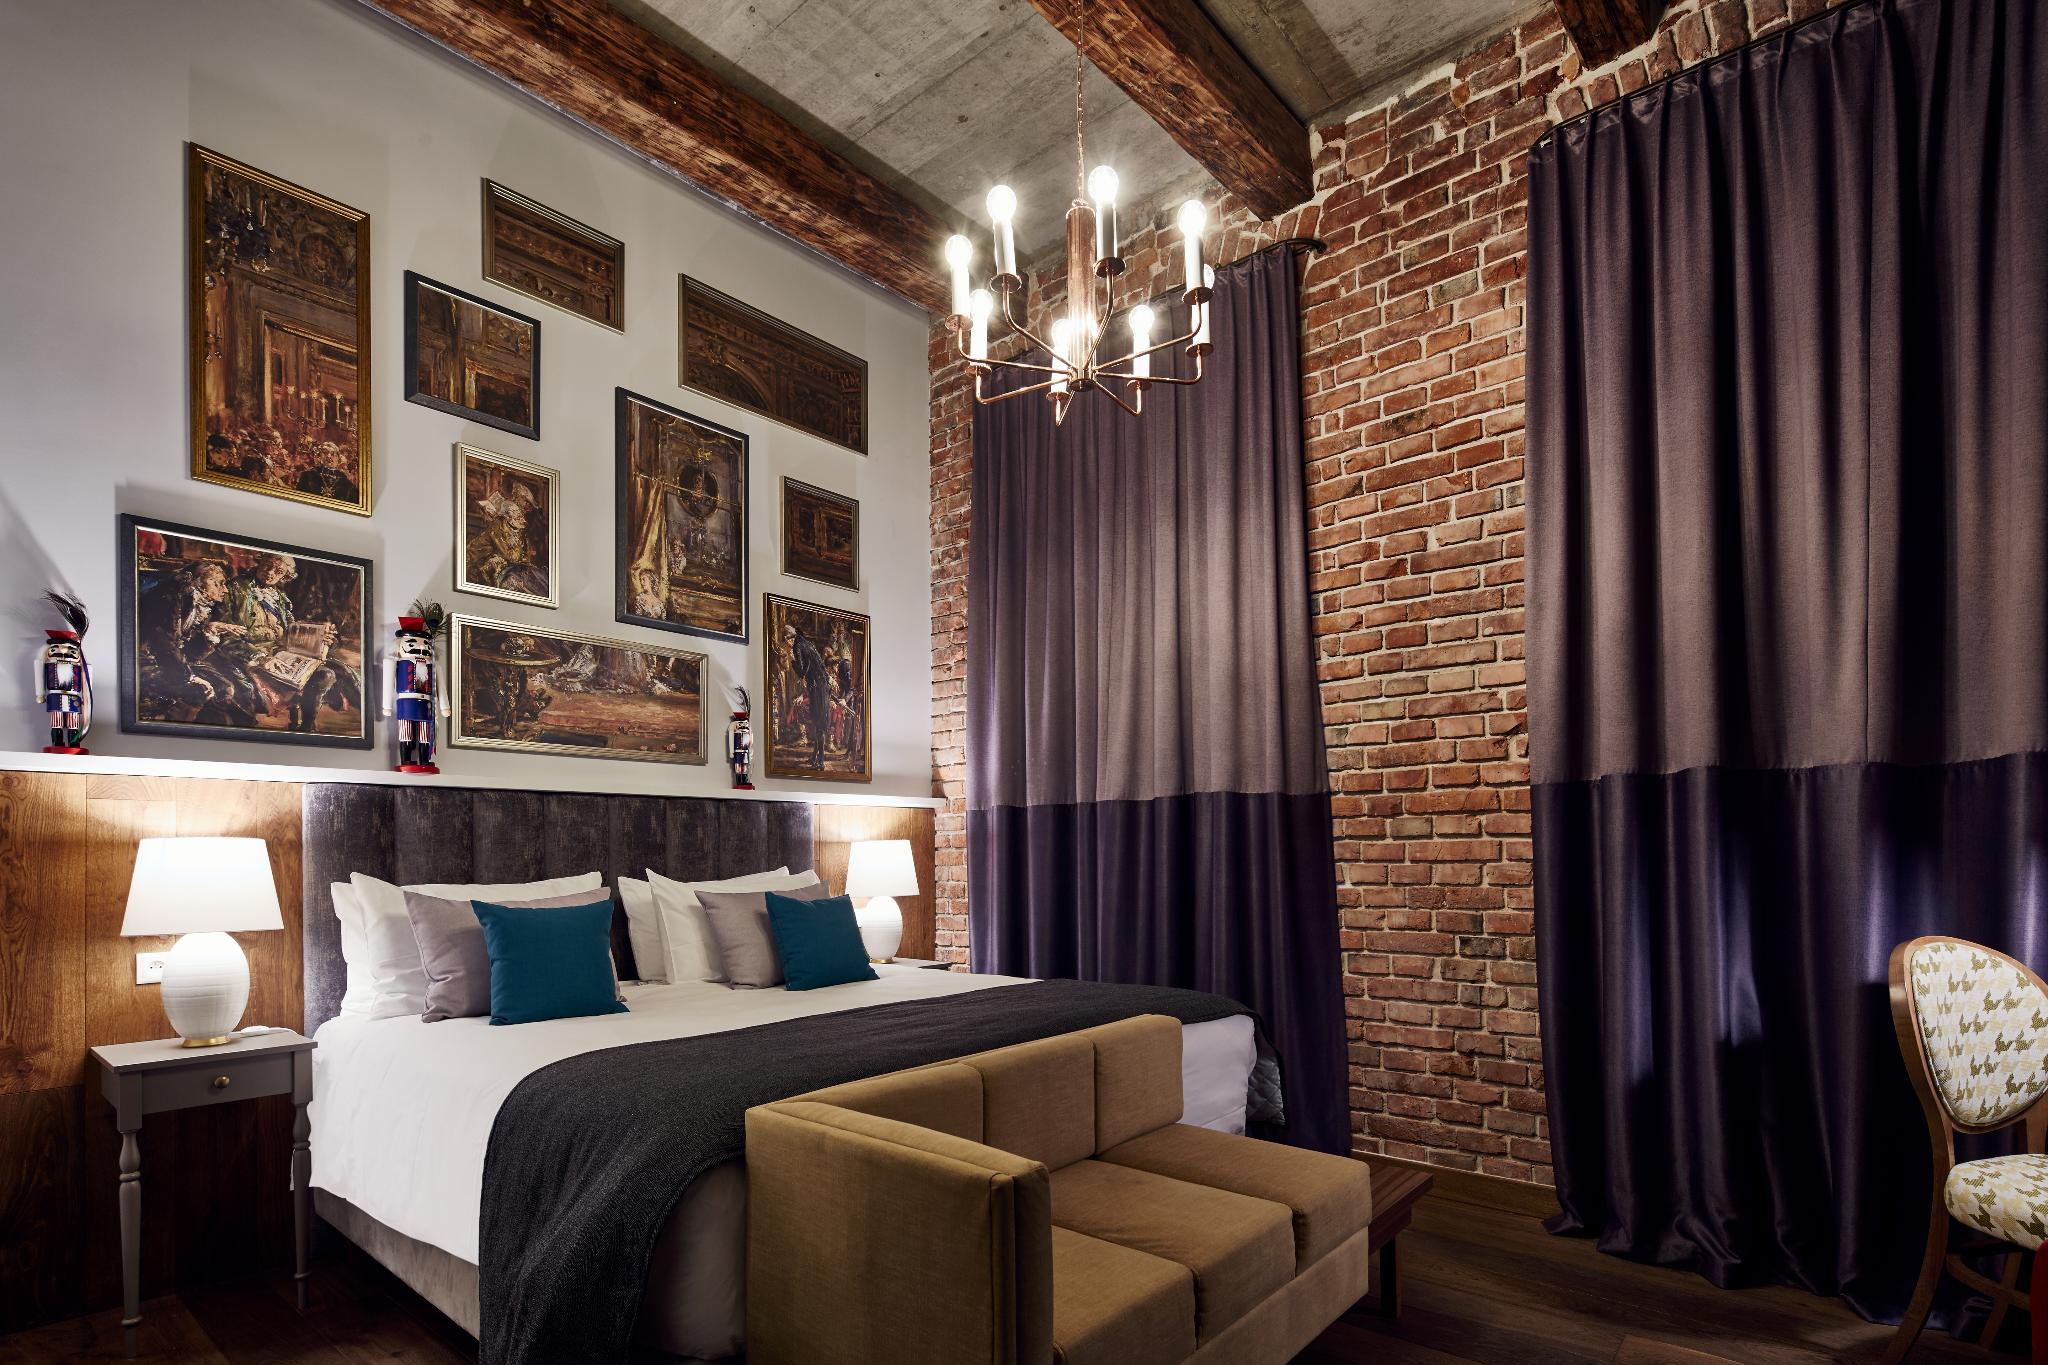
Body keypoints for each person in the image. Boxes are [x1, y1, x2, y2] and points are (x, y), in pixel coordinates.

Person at [134, 560, 257, 726]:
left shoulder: (201, 604)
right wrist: (190, 677)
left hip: (173, 660)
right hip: (145, 660)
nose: (225, 589)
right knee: (200, 691)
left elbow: (191, 654)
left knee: (225, 686)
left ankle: (231, 728)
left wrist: (209, 632)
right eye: (218, 583)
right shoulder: (170, 599)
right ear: (199, 582)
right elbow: (164, 646)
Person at [295, 442, 359, 502]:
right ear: (319, 457)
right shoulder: (308, 475)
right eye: (325, 453)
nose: (329, 456)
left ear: (338, 458)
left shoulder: (345, 481)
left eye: (333, 454)